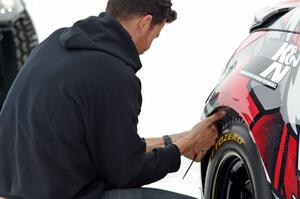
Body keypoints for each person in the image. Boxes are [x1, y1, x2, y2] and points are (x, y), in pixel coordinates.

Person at [0, 0, 226, 198]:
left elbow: (107, 146)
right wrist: (185, 145)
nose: (148, 47)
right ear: (145, 22)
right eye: (155, 36)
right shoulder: (114, 75)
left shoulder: (55, 43)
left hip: (18, 187)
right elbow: (127, 173)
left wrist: (175, 140)